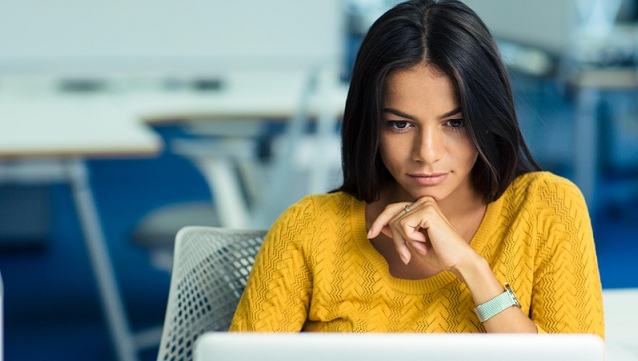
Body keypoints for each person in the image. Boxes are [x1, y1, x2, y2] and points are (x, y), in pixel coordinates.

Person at [230, 0, 604, 337]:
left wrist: (471, 267)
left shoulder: (547, 210)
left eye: (454, 123)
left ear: (487, 118)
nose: (426, 153)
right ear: (370, 124)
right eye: (400, 124)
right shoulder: (308, 230)